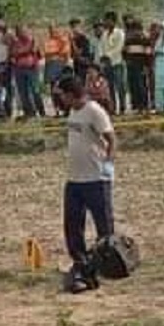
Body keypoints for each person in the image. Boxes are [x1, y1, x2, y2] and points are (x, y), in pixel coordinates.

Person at [59, 75, 117, 294]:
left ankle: (108, 260)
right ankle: (81, 262)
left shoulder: (94, 111)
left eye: (62, 95)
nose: (61, 99)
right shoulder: (73, 111)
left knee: (103, 224)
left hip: (95, 178)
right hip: (74, 179)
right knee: (72, 224)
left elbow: (111, 139)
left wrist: (108, 165)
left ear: (71, 94)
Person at [10, 24, 43, 118]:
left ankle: (41, 111)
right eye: (19, 31)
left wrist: (20, 52)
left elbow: (32, 50)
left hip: (31, 68)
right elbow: (13, 53)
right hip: (19, 69)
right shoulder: (16, 43)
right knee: (22, 92)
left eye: (23, 31)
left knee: (35, 91)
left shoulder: (33, 40)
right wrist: (22, 52)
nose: (21, 33)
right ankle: (29, 112)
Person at [101, 12, 126, 114]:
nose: (106, 22)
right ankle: (113, 107)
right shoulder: (104, 34)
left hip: (117, 62)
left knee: (120, 85)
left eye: (108, 20)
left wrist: (108, 55)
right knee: (109, 86)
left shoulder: (120, 33)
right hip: (107, 64)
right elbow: (102, 47)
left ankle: (122, 106)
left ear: (113, 21)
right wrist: (103, 57)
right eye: (105, 20)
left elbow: (119, 47)